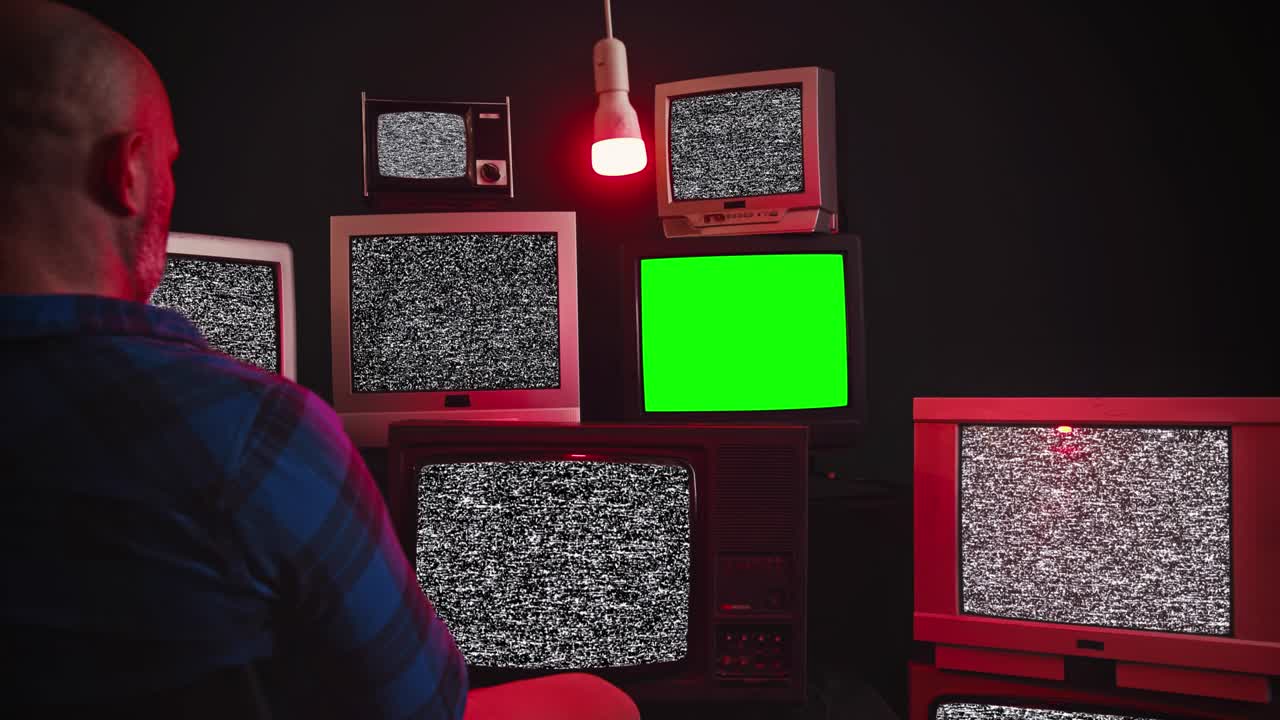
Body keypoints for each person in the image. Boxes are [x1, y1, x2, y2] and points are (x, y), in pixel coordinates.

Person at [0, 3, 637, 719]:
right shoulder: (255, 433)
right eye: (172, 163)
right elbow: (425, 709)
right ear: (130, 170)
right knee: (597, 698)